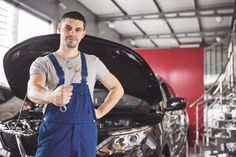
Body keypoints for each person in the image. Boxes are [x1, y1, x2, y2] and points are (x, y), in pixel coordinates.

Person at [27, 11, 124, 157]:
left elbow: (117, 88)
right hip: (55, 132)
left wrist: (100, 111)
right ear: (59, 29)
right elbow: (33, 90)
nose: (72, 33)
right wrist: (51, 96)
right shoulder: (43, 63)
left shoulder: (93, 62)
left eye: (78, 29)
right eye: (68, 28)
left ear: (83, 34)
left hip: (86, 132)